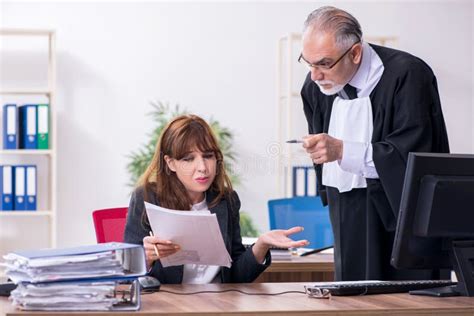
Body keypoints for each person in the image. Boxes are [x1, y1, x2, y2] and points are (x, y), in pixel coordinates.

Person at [299, 6, 449, 281]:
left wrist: (343, 150)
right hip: (347, 213)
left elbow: (417, 158)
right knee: (353, 297)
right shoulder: (315, 90)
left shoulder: (409, 75)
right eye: (307, 63)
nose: (314, 75)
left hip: (403, 218)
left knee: (409, 300)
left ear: (355, 53)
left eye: (323, 64)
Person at [124, 114, 308, 284]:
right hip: (169, 304)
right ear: (171, 163)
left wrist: (261, 244)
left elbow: (236, 275)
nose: (203, 167)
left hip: (218, 303)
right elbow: (125, 273)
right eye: (189, 159)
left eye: (208, 156)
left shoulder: (226, 200)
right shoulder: (147, 197)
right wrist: (145, 258)